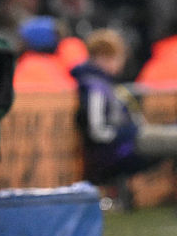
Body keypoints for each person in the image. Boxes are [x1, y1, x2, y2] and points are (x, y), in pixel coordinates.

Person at [72, 29, 177, 184]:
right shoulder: (95, 87)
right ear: (103, 57)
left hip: (129, 139)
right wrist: (129, 132)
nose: (120, 63)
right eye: (117, 58)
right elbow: (97, 131)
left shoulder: (104, 83)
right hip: (119, 148)